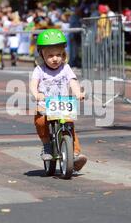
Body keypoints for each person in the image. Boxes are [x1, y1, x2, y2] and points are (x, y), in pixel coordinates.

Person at [29, 29, 87, 171]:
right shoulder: (39, 70)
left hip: (61, 104)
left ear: (63, 54)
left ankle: (74, 154)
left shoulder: (65, 68)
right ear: (42, 54)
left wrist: (78, 92)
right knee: (40, 121)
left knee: (69, 125)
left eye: (59, 55)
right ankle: (47, 146)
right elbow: (33, 84)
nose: (55, 58)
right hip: (44, 104)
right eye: (50, 55)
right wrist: (36, 94)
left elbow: (72, 81)